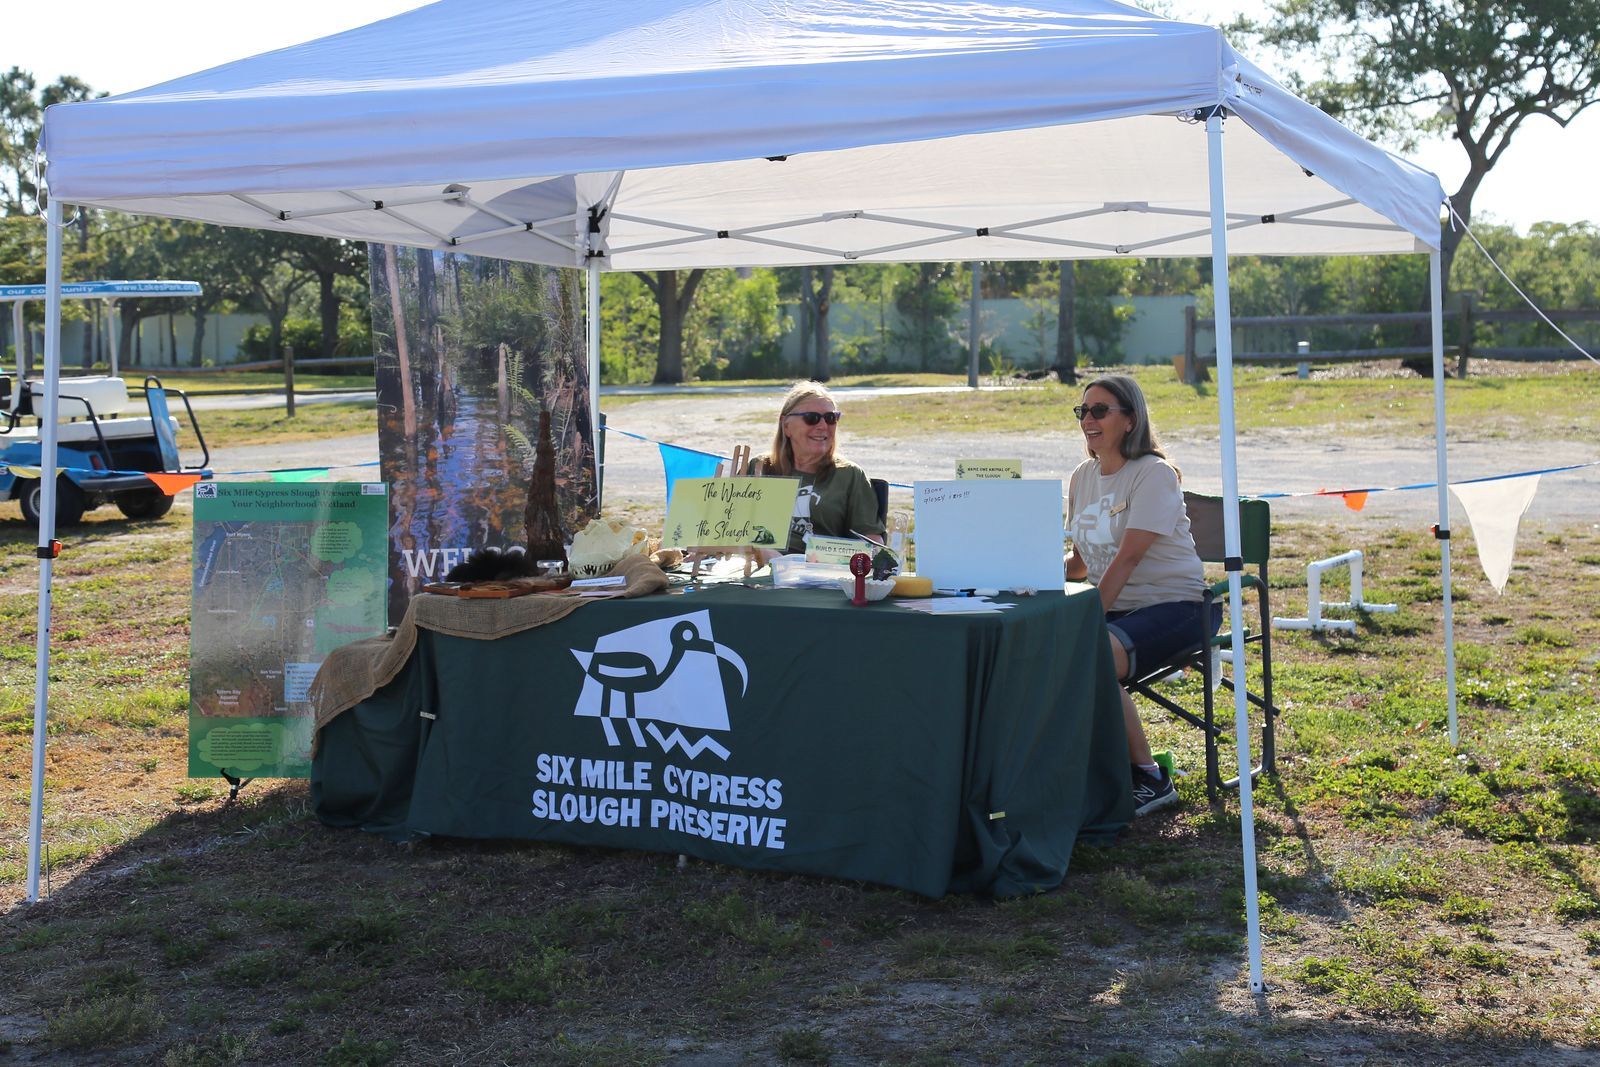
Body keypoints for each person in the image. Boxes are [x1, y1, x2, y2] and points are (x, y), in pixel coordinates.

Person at [1064, 374, 1217, 816]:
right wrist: (1029, 577)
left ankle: (1150, 777)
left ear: (1130, 420)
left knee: (1087, 655)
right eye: (1082, 411)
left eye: (1100, 410)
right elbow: (1081, 562)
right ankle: (1087, 771)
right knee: (1047, 648)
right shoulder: (1081, 477)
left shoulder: (1154, 474)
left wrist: (1086, 620)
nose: (1088, 420)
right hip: (1117, 609)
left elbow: (1126, 559)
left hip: (1178, 607)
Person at [749, 381, 883, 557]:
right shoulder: (760, 467)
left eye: (830, 418)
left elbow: (872, 542)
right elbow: (729, 529)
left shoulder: (849, 475)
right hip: (759, 569)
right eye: (811, 418)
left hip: (820, 572)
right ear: (786, 426)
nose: (822, 426)